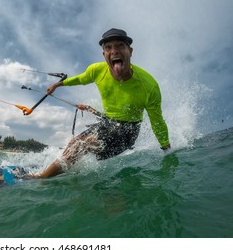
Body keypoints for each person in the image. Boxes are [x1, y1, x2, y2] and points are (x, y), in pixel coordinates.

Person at [34, 28, 171, 178]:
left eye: (120, 46)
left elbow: (157, 121)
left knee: (83, 145)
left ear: (130, 51)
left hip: (129, 131)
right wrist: (58, 85)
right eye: (108, 47)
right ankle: (59, 173)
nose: (114, 51)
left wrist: (167, 149)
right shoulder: (97, 70)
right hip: (107, 123)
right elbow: (80, 79)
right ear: (104, 54)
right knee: (74, 143)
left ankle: (40, 178)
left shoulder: (149, 86)